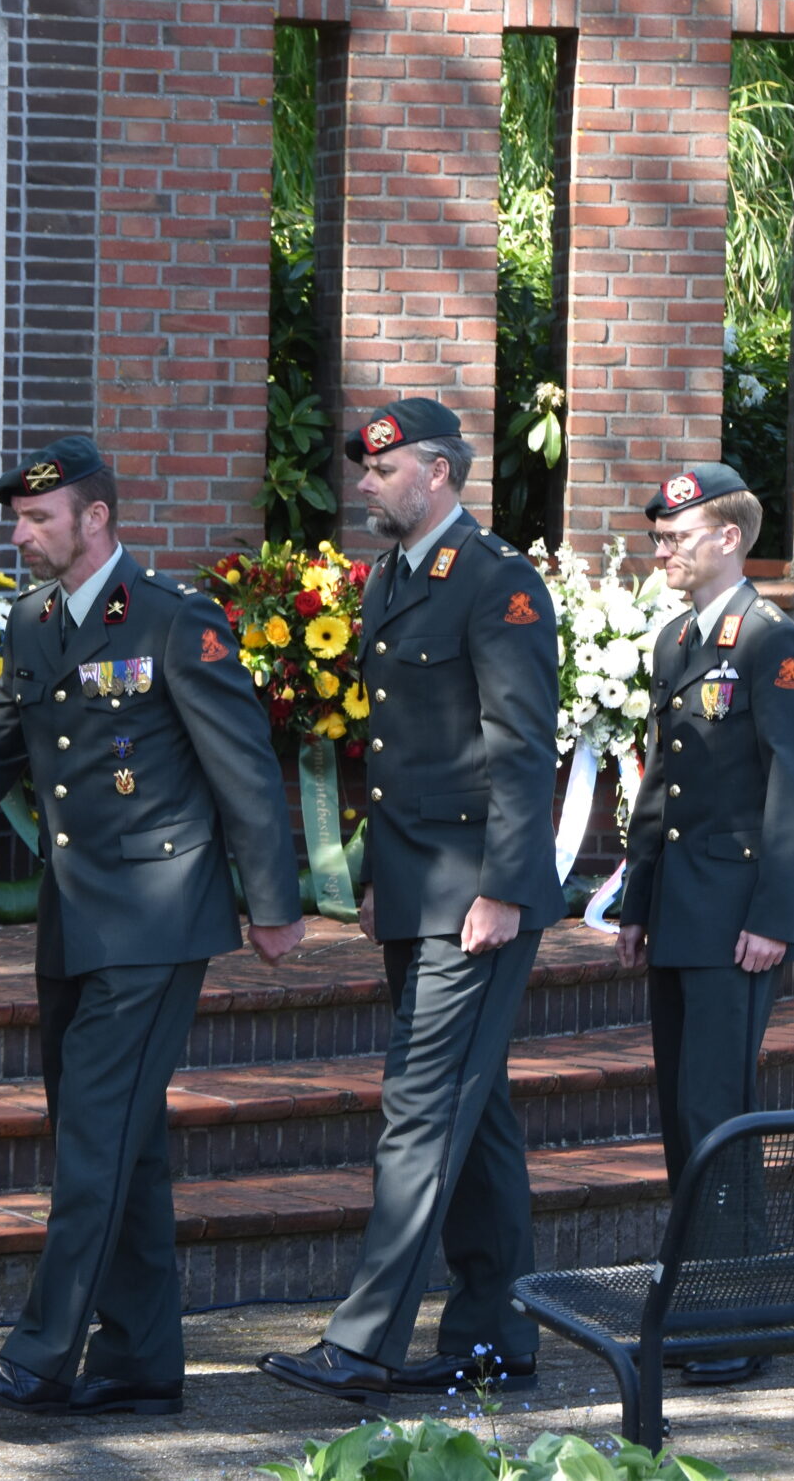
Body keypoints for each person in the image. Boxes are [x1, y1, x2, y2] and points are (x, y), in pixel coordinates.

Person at [0, 437, 305, 1414]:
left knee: (93, 1141)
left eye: (37, 519)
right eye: (16, 520)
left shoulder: (173, 618)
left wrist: (271, 902)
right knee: (118, 1140)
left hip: (157, 919)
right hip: (74, 918)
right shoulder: (33, 620)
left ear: (95, 518)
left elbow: (244, 766)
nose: (20, 536)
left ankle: (41, 1356)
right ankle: (140, 1358)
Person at [259, 397, 563, 1410]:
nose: (366, 484)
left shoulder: (495, 578)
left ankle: (364, 1345)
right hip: (417, 888)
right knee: (478, 1116)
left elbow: (520, 745)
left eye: (383, 470)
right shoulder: (395, 577)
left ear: (436, 473)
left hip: (476, 895)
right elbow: (403, 751)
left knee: (421, 1109)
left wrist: (504, 889)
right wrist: (379, 876)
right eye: (366, 469)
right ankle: (495, 1338)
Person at [615, 461, 794, 1388]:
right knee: (683, 1112)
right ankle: (701, 1300)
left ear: (730, 538)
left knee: (719, 1114)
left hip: (738, 915)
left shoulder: (769, 639)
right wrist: (638, 898)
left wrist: (777, 913)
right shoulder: (678, 640)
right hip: (681, 909)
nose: (661, 549)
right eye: (658, 536)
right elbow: (663, 782)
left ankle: (737, 1318)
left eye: (676, 536)